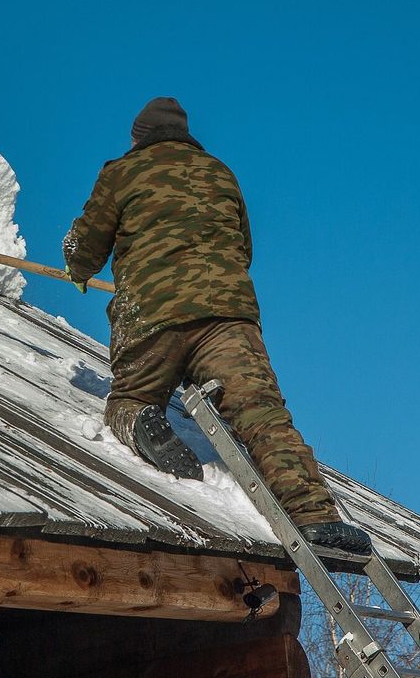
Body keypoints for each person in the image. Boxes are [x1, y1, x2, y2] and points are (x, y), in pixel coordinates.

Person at [62, 97, 371, 554]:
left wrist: (78, 270)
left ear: (138, 137)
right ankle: (315, 516)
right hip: (227, 314)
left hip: (151, 311)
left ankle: (141, 420)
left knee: (131, 395)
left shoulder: (122, 172)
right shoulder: (221, 173)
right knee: (263, 413)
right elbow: (242, 248)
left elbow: (85, 245)